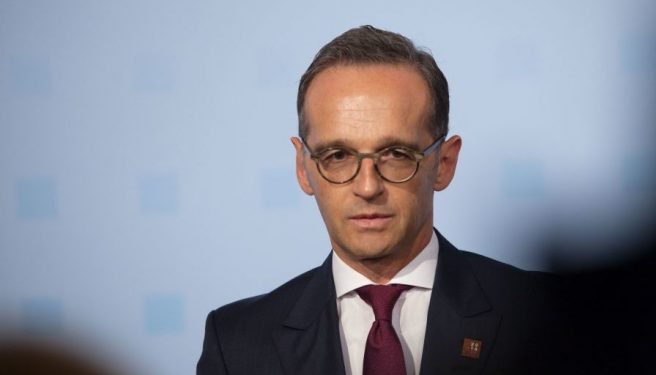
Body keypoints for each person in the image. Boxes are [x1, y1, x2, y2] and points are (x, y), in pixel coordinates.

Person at [198, 25, 575, 375]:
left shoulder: (546, 315)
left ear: (444, 163)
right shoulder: (237, 343)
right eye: (338, 156)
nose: (366, 187)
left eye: (396, 155)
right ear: (303, 167)